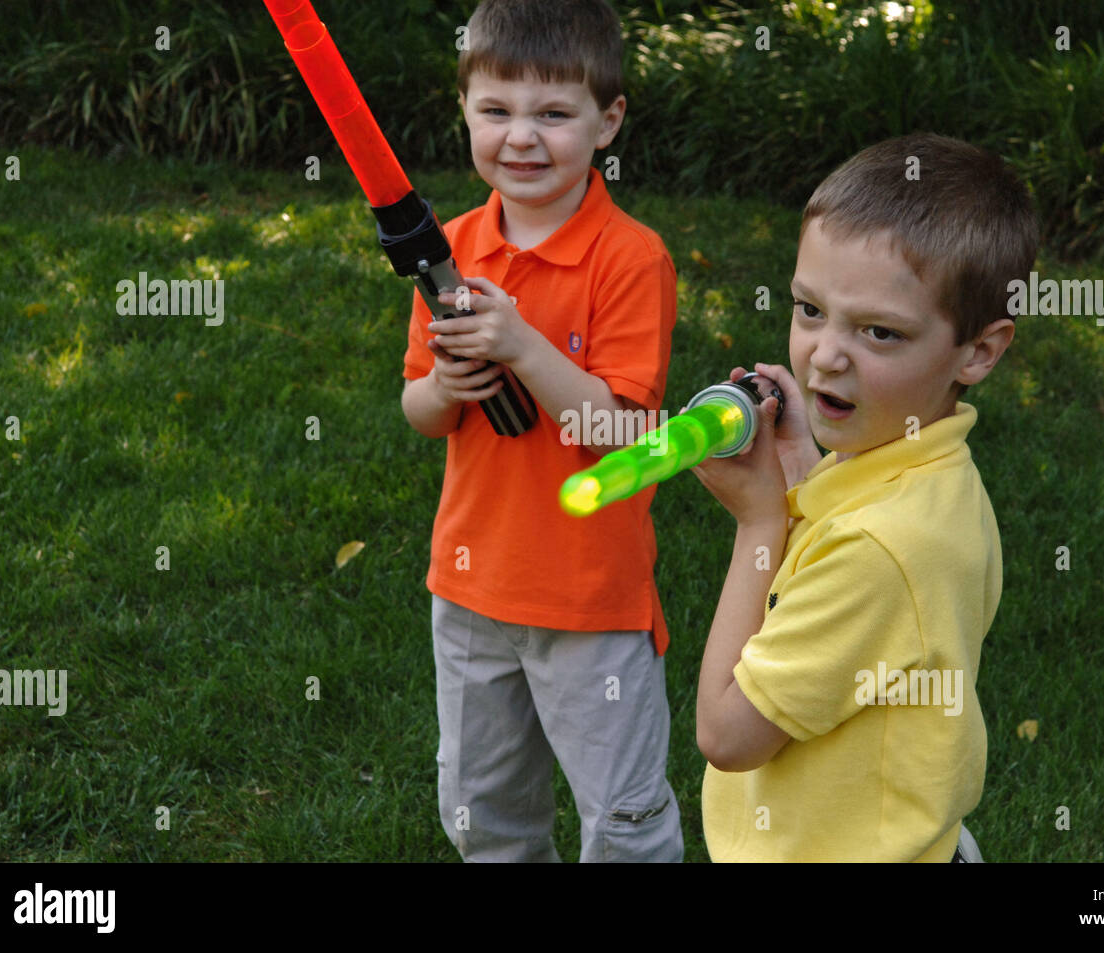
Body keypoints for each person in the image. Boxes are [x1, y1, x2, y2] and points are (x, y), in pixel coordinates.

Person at [690, 132, 1038, 861]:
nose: (826, 354)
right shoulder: (931, 473)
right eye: (809, 309)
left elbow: (727, 735)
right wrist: (800, 469)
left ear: (979, 350)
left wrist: (758, 523)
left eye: (879, 331)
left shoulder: (881, 549)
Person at [400, 0, 681, 862]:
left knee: (623, 820)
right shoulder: (449, 248)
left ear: (608, 122)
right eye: (496, 110)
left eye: (554, 114)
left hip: (589, 598)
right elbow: (418, 409)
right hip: (471, 584)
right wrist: (449, 384)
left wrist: (522, 344)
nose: (521, 137)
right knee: (484, 809)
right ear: (466, 112)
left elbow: (625, 434)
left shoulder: (631, 259)